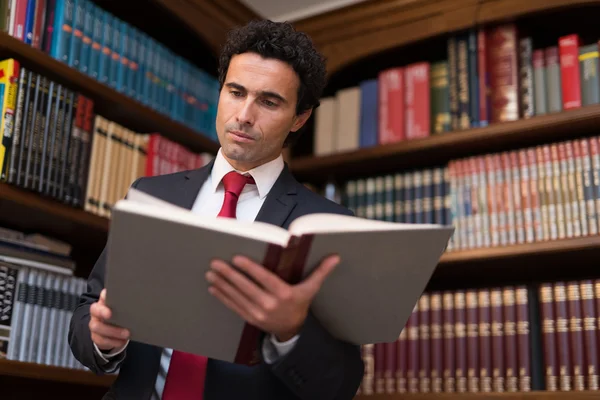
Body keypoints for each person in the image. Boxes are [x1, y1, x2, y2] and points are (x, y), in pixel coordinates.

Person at [68, 19, 364, 400]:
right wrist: (101, 339)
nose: (244, 114)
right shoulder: (151, 194)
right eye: (235, 92)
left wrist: (291, 330)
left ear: (300, 118)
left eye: (269, 102)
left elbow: (339, 385)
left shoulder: (331, 226)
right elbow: (88, 311)